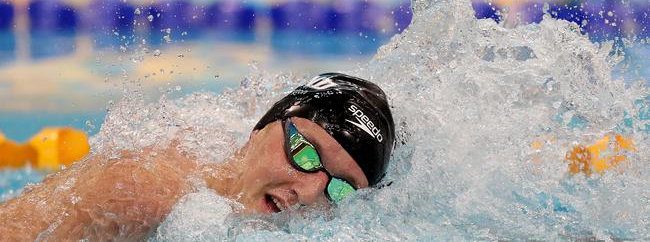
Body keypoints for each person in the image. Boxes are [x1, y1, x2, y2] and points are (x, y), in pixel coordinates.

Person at [0, 73, 395, 241]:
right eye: (304, 154)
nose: (310, 192)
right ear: (262, 127)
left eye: (341, 189)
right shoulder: (141, 190)